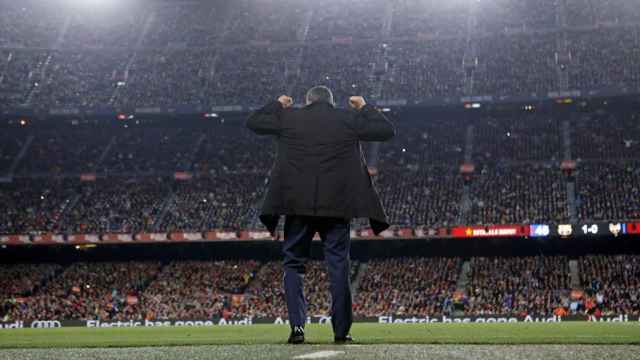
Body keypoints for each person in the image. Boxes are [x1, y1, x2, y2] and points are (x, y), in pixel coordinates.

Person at [246, 86, 395, 344]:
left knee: (293, 264)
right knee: (339, 266)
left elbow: (254, 122)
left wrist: (277, 104)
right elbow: (385, 131)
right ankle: (341, 331)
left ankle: (297, 329)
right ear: (331, 101)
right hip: (337, 207)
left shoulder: (289, 117)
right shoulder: (347, 118)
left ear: (307, 101)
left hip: (297, 205)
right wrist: (364, 107)